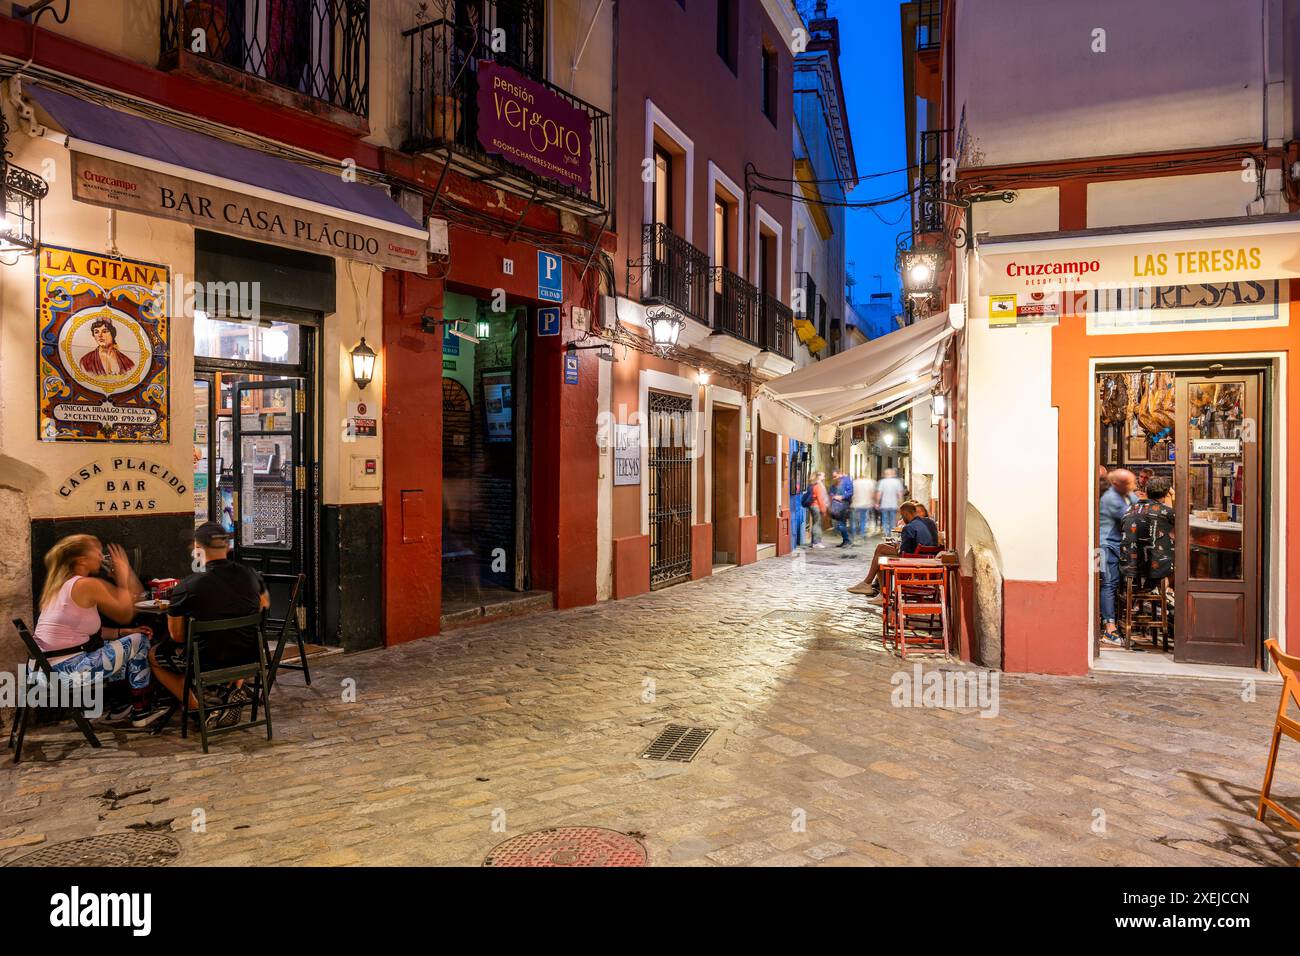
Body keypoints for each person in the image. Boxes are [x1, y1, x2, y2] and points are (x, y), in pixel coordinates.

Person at [31, 535, 165, 728]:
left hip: (42, 671)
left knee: (122, 642)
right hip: (65, 673)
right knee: (140, 641)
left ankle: (121, 705)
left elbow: (84, 630)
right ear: (81, 559)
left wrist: (121, 632)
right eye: (96, 550)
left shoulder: (58, 586)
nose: (101, 556)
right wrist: (123, 574)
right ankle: (141, 709)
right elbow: (126, 611)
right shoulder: (86, 585)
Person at [151, 522, 270, 728]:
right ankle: (230, 689)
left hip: (206, 662)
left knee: (154, 655)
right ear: (227, 547)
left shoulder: (187, 586)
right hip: (249, 657)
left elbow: (177, 636)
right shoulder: (251, 576)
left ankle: (200, 711)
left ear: (198, 549)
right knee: (231, 641)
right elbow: (264, 606)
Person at [847, 501, 935, 600]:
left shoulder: (908, 527)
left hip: (914, 561)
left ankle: (873, 588)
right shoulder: (930, 522)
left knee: (881, 554)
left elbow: (903, 552)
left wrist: (898, 546)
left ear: (906, 514)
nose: (902, 518)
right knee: (881, 551)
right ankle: (874, 589)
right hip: (930, 559)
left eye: (902, 515)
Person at [1099, 468, 1139, 646]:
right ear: (1117, 484)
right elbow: (1131, 516)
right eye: (1129, 483)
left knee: (1113, 584)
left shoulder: (1124, 494)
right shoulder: (1111, 498)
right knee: (1108, 584)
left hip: (1116, 545)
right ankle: (1109, 629)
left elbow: (1137, 506)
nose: (1133, 485)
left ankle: (1111, 623)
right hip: (1105, 546)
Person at [876, 468, 905, 535]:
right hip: (893, 504)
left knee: (885, 520)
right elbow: (900, 494)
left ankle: (886, 534)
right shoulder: (897, 482)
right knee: (893, 520)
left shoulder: (882, 482)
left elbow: (879, 493)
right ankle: (892, 534)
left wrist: (877, 503)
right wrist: (900, 503)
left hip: (884, 504)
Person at [830, 469, 854, 547]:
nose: (834, 478)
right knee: (840, 523)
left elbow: (850, 492)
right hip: (837, 505)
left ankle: (847, 540)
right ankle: (845, 540)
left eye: (835, 476)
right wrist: (833, 495)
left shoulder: (847, 481)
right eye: (833, 476)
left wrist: (842, 497)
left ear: (839, 474)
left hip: (844, 504)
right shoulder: (835, 482)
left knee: (841, 523)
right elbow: (831, 491)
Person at [807, 472, 830, 548]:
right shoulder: (818, 485)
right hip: (817, 506)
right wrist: (823, 509)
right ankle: (816, 542)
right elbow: (820, 498)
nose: (824, 477)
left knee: (815, 523)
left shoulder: (812, 484)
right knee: (817, 524)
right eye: (823, 475)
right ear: (818, 476)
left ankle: (814, 542)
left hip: (813, 506)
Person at [851, 472, 876, 540]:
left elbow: (851, 492)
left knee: (854, 520)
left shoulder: (855, 482)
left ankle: (854, 533)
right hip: (866, 504)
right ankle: (862, 534)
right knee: (863, 519)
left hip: (856, 503)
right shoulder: (870, 482)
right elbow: (872, 493)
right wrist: (873, 501)